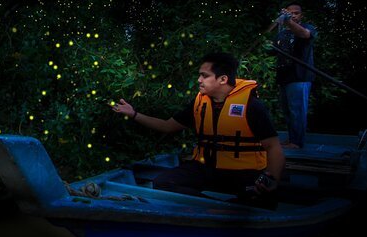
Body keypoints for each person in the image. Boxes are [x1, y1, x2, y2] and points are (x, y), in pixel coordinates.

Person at [112, 52, 284, 205]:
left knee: (263, 199)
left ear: (223, 79)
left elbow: (273, 147)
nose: (199, 80)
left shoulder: (252, 106)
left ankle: (225, 207)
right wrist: (134, 114)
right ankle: (218, 207)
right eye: (200, 75)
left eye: (204, 76)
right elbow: (167, 126)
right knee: (163, 183)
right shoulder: (199, 103)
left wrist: (272, 179)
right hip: (207, 168)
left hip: (244, 172)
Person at [273, 2, 317, 149]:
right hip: (284, 77)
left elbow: (304, 34)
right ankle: (292, 139)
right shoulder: (281, 33)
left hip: (300, 77)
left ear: (301, 15)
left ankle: (297, 142)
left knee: (297, 111)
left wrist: (288, 20)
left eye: (296, 13)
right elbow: (273, 50)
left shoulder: (307, 28)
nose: (293, 15)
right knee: (287, 112)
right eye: (290, 13)